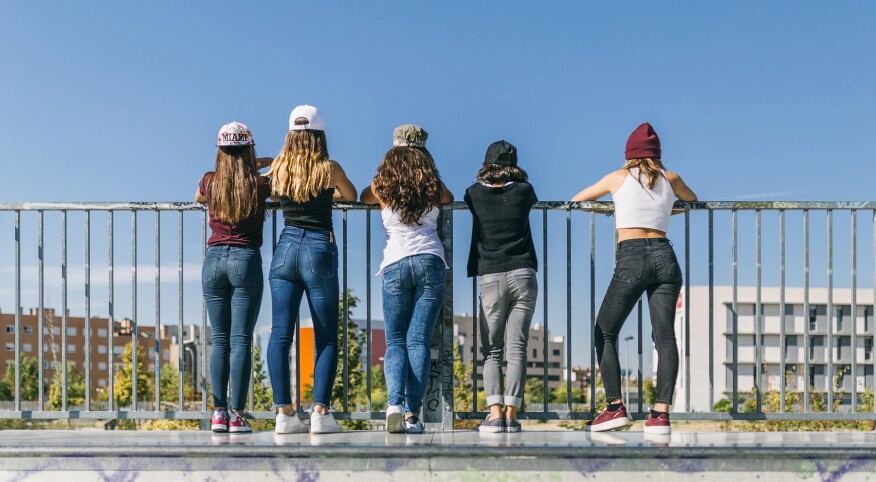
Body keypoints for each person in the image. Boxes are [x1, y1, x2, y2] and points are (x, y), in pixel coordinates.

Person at [571, 122, 697, 434]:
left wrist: (613, 209)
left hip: (631, 257)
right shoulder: (672, 179)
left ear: (629, 154)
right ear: (657, 154)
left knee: (605, 332)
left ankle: (614, 408)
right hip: (665, 256)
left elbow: (578, 200)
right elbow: (692, 202)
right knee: (665, 336)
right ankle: (661, 413)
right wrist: (667, 210)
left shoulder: (617, 177)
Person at [266, 105, 357, 434]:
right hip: (318, 247)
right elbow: (350, 194)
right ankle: (320, 412)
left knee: (279, 335)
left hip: (285, 248)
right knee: (326, 338)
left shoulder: (280, 168)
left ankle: (284, 414)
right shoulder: (328, 168)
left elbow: (275, 194)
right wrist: (329, 193)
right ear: (320, 135)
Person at [360, 124, 453, 434]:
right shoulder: (433, 184)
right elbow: (448, 198)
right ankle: (413, 415)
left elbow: (363, 198)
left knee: (396, 340)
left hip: (396, 264)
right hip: (430, 261)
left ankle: (394, 405)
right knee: (418, 341)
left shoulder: (382, 184)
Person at [197, 122, 272, 433]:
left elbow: (199, 197)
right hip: (245, 260)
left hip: (213, 261)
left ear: (219, 151)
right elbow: (274, 183)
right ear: (250, 150)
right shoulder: (259, 185)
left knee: (220, 341)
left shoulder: (210, 181)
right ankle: (238, 416)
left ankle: (218, 413)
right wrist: (263, 163)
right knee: (241, 340)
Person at [464, 140, 538, 433]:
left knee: (492, 351)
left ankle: (494, 416)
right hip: (523, 273)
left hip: (491, 276)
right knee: (517, 348)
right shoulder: (525, 191)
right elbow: (521, 188)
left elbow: (479, 191)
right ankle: (512, 415)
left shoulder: (472, 195)